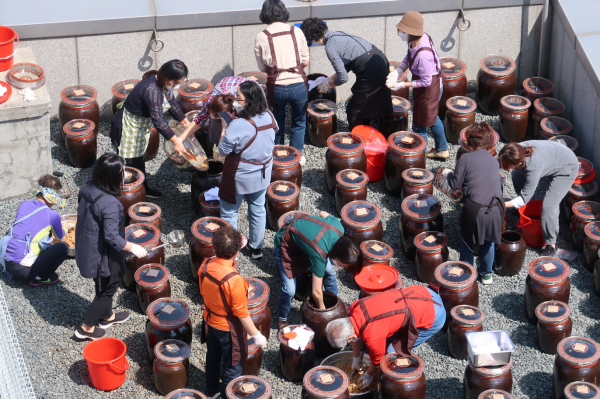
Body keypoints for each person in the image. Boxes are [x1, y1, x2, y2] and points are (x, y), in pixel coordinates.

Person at [74, 154, 149, 340]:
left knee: (102, 285)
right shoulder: (110, 204)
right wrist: (133, 247)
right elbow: (111, 237)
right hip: (101, 255)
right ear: (114, 176)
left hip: (89, 245)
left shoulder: (87, 187)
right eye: (122, 171)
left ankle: (107, 317)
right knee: (108, 287)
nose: (125, 173)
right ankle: (86, 328)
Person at [326, 285, 445, 389]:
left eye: (348, 342)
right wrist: (356, 359)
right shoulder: (355, 306)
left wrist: (368, 374)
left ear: (350, 338)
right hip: (423, 291)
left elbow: (378, 360)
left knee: (391, 352)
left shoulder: (373, 337)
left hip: (435, 314)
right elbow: (355, 333)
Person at [199, 226, 267, 398]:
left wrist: (242, 286)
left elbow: (209, 288)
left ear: (214, 247)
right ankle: (227, 395)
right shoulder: (234, 280)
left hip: (209, 320)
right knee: (232, 366)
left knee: (213, 357)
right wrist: (256, 335)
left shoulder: (205, 264)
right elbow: (241, 312)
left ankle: (211, 391)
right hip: (228, 328)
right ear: (237, 252)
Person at [110, 60, 190, 198]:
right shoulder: (152, 90)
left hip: (140, 125)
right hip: (129, 126)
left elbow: (172, 103)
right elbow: (158, 120)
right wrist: (176, 142)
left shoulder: (164, 84)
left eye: (181, 82)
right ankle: (133, 192)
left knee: (138, 158)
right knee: (131, 161)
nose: (178, 85)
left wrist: (185, 121)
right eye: (177, 82)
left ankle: (140, 187)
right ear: (168, 78)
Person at [217, 81, 277, 260]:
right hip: (263, 173)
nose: (235, 100)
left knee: (229, 212)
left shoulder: (238, 125)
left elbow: (223, 151)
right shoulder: (269, 116)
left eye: (239, 97)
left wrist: (224, 127)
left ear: (249, 101)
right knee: (258, 209)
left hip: (239, 176)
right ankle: (256, 249)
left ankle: (231, 251)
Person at [274, 211, 361, 330]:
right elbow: (316, 292)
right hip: (286, 245)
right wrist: (324, 311)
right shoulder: (320, 255)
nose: (342, 267)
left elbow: (322, 213)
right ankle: (282, 318)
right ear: (336, 255)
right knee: (289, 290)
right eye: (343, 264)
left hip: (308, 245)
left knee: (330, 272)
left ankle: (335, 302)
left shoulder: (338, 227)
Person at [300, 18, 392, 130]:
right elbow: (348, 63)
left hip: (371, 70)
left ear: (313, 37)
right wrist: (330, 78)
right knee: (373, 100)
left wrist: (329, 84)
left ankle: (358, 139)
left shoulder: (330, 47)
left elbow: (343, 78)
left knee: (355, 109)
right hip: (379, 58)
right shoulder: (337, 34)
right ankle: (372, 128)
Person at [446, 122, 505, 285]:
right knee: (488, 241)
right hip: (497, 208)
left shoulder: (465, 158)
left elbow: (455, 184)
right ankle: (487, 274)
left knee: (467, 240)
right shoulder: (494, 161)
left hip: (475, 209)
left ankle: (466, 273)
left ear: (469, 143)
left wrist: (449, 174)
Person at [386, 11, 449, 160]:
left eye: (403, 30)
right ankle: (442, 149)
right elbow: (409, 55)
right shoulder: (417, 39)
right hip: (429, 85)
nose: (400, 33)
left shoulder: (423, 55)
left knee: (420, 124)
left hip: (429, 88)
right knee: (433, 118)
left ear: (411, 32)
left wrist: (402, 85)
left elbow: (426, 81)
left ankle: (417, 159)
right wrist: (398, 70)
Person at [499, 140, 578, 257]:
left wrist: (501, 204)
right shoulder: (513, 150)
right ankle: (524, 209)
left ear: (519, 163)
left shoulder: (533, 167)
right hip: (554, 157)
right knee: (516, 175)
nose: (506, 168)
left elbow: (523, 198)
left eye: (509, 166)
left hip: (567, 167)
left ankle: (551, 245)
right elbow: (496, 160)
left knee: (548, 206)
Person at [255, 0, 309, 163]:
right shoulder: (296, 31)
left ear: (265, 13)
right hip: (299, 85)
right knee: (299, 122)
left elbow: (262, 68)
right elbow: (305, 61)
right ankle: (295, 157)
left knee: (277, 122)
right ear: (283, 11)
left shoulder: (261, 36)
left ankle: (277, 156)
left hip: (276, 87)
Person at [0, 175, 69, 286]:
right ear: (52, 197)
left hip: (6, 261)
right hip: (24, 271)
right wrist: (67, 227)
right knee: (63, 247)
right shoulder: (52, 215)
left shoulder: (24, 205)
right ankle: (40, 277)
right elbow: (59, 236)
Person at [179, 75, 250, 145]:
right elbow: (198, 120)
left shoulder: (240, 105)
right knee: (220, 128)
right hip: (225, 86)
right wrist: (180, 139)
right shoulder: (210, 101)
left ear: (229, 113)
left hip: (243, 86)